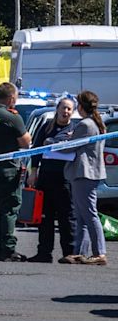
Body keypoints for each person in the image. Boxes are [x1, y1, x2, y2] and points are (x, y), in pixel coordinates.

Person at [0, 82, 31, 262]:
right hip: (9, 170)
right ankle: (8, 249)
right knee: (9, 210)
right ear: (11, 98)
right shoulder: (12, 117)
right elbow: (25, 143)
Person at [27, 97, 77, 263]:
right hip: (46, 177)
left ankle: (69, 252)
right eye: (63, 108)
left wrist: (53, 142)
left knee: (66, 217)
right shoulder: (46, 127)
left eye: (69, 109)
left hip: (64, 179)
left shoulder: (74, 129)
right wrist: (33, 171)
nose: (66, 112)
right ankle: (44, 253)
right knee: (45, 217)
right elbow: (36, 149)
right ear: (57, 108)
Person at [62, 90, 107, 265]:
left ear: (81, 106)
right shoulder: (96, 123)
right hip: (87, 173)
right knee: (81, 215)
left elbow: (69, 148)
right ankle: (80, 251)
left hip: (84, 174)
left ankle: (99, 253)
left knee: (89, 214)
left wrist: (51, 145)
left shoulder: (86, 125)